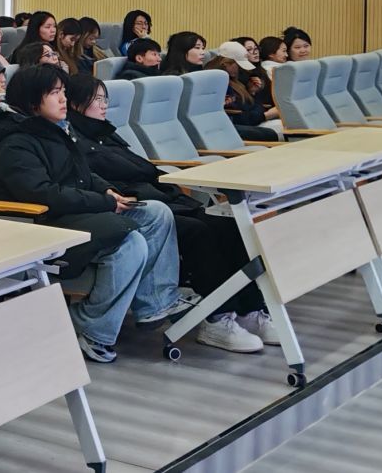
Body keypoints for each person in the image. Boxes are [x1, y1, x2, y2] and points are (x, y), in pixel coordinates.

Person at [0, 64, 186, 362]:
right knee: (130, 242)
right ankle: (92, 329)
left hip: (75, 214)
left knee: (156, 213)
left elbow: (82, 173)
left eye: (63, 91)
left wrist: (107, 190)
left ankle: (154, 304)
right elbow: (44, 195)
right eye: (54, 93)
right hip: (45, 225)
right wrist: (102, 202)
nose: (63, 99)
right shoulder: (15, 144)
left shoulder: (56, 130)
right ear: (33, 101)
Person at [65, 73, 270, 353]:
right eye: (97, 99)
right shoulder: (73, 139)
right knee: (199, 232)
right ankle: (216, 318)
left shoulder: (105, 132)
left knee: (228, 226)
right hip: (136, 207)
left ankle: (250, 309)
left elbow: (142, 167)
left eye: (105, 99)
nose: (104, 105)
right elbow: (114, 178)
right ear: (75, 103)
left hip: (160, 196)